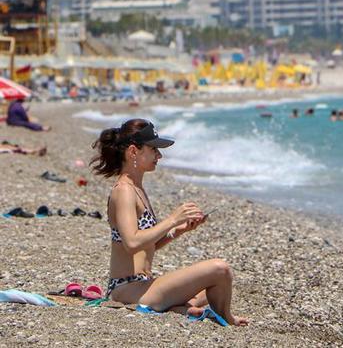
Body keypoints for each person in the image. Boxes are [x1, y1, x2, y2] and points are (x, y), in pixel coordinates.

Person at [91, 119, 248, 325]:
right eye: (154, 149)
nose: (159, 155)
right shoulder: (124, 191)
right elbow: (131, 243)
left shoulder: (136, 188)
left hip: (144, 285)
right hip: (127, 289)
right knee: (220, 269)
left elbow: (146, 246)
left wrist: (179, 230)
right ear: (133, 152)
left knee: (211, 286)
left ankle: (181, 306)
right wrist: (172, 219)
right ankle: (226, 319)